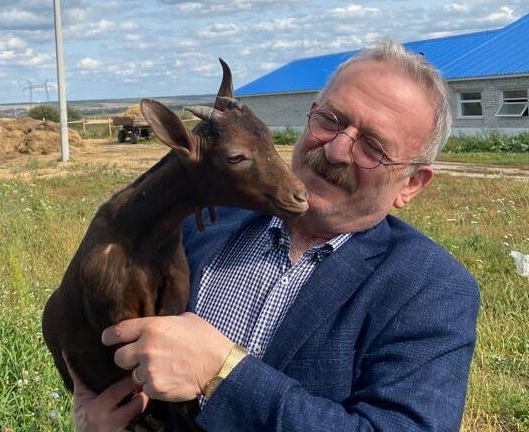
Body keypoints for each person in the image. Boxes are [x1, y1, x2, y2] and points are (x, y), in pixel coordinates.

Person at [69, 39, 480, 432]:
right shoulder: (201, 226)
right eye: (331, 120)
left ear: (411, 184)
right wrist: (97, 419)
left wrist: (221, 372)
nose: (336, 150)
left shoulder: (431, 290)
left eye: (372, 146)